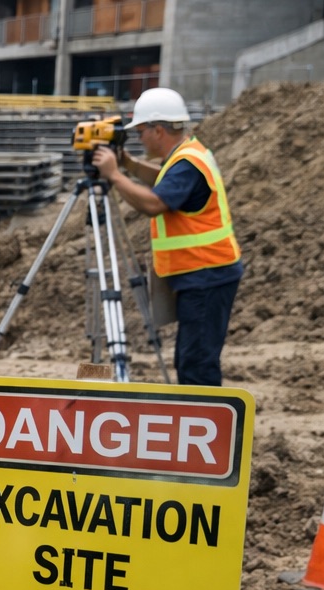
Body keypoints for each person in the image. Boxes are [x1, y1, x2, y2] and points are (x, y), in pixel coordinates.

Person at [91, 87, 244, 387]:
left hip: (207, 274)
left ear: (158, 130)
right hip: (202, 273)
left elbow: (154, 203)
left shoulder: (187, 164)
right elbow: (164, 180)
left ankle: (207, 427)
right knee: (190, 357)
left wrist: (115, 175)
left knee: (196, 363)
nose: (138, 137)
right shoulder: (186, 155)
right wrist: (130, 165)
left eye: (142, 131)